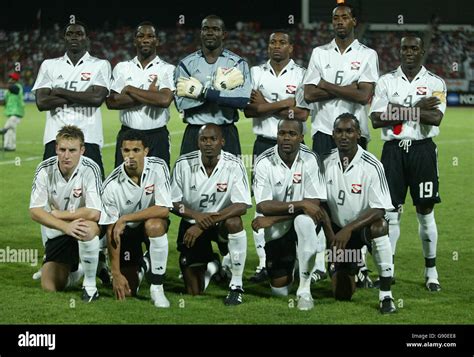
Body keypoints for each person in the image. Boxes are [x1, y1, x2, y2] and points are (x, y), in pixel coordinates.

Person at [369, 35, 447, 292]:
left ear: (423, 50)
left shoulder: (435, 82)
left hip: (423, 151)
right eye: (405, 48)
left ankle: (431, 271)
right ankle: (387, 272)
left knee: (425, 212)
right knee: (391, 214)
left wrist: (397, 109)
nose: (409, 52)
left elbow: (435, 118)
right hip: (392, 151)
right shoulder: (386, 81)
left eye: (414, 48)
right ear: (399, 51)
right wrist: (415, 106)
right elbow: (377, 119)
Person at [243, 30, 309, 283]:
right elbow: (250, 110)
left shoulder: (301, 74)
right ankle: (263, 264)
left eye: (282, 42)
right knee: (262, 204)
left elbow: (302, 115)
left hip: (294, 146)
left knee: (299, 203)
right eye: (272, 42)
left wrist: (265, 105)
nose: (277, 46)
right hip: (264, 145)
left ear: (291, 47)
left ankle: (300, 260)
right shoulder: (256, 72)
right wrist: (285, 103)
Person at [321, 113, 396, 314]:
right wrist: (331, 237)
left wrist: (349, 229)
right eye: (339, 131)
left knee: (380, 226)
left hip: (361, 229)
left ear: (358, 134)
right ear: (333, 134)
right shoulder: (325, 162)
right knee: (341, 294)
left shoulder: (372, 165)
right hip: (338, 234)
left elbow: (380, 208)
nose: (343, 136)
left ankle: (386, 295)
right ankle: (355, 269)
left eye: (349, 131)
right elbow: (319, 205)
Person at [170, 124, 251, 305]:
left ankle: (236, 285)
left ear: (222, 142)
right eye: (203, 139)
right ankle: (214, 265)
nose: (208, 143)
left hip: (220, 224)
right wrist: (194, 215)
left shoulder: (234, 164)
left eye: (212, 139)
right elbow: (173, 203)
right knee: (194, 291)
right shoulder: (183, 163)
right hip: (191, 224)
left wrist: (202, 223)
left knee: (234, 223)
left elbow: (241, 205)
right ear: (197, 142)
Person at [252, 119, 327, 311]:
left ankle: (305, 290)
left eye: (292, 134)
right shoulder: (263, 161)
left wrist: (276, 217)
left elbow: (315, 204)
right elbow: (263, 206)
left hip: (294, 221)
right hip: (279, 225)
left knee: (304, 222)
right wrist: (301, 204)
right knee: (280, 291)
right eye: (282, 133)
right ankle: (295, 263)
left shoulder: (311, 159)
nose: (286, 137)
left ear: (301, 138)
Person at [29, 125, 102, 302]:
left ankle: (90, 286)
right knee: (50, 286)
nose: (66, 155)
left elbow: (94, 212)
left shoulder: (91, 169)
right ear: (56, 148)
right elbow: (35, 211)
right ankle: (81, 270)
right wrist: (66, 227)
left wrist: (60, 215)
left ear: (82, 150)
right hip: (60, 231)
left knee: (86, 228)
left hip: (85, 226)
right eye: (62, 150)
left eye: (72, 150)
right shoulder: (44, 169)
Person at [99, 130, 172, 307]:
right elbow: (111, 230)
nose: (130, 156)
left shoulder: (159, 167)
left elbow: (164, 209)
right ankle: (143, 263)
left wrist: (126, 218)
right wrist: (115, 273)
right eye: (126, 150)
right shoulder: (110, 185)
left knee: (154, 225)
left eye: (136, 150)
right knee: (128, 290)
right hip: (126, 234)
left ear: (146, 151)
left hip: (149, 225)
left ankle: (157, 288)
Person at [32, 21, 111, 178]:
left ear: (86, 38)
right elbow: (42, 102)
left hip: (89, 138)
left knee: (92, 195)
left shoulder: (100, 65)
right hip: (55, 139)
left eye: (79, 34)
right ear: (64, 38)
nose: (74, 37)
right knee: (53, 193)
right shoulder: (49, 65)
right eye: (70, 34)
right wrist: (84, 95)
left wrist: (60, 91)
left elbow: (96, 99)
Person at [303, 4, 379, 156]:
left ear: (354, 21)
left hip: (355, 132)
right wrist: (350, 89)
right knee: (323, 180)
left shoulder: (368, 54)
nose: (339, 22)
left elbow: (364, 97)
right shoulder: (319, 53)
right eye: (336, 18)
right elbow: (309, 95)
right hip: (323, 131)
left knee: (354, 180)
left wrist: (324, 85)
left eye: (345, 18)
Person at [174, 14, 252, 156]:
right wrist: (222, 94)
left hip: (226, 132)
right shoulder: (186, 64)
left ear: (223, 34)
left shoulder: (237, 63)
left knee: (229, 177)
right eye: (206, 29)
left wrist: (202, 92)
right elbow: (181, 103)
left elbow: (243, 100)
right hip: (195, 132)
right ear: (201, 33)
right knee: (190, 177)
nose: (210, 32)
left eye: (215, 29)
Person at [106, 21, 175, 168]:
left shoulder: (168, 69)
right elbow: (111, 102)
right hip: (127, 135)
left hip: (157, 136)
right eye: (140, 36)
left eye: (150, 36)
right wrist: (150, 95)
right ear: (134, 41)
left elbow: (164, 100)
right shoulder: (122, 68)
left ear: (157, 41)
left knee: (157, 185)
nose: (145, 39)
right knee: (124, 183)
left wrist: (130, 89)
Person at [0, 72, 25, 151]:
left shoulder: (18, 87)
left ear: (16, 80)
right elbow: (4, 102)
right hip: (11, 114)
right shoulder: (8, 91)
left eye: (12, 78)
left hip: (17, 113)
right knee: (11, 129)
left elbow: (12, 88)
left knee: (7, 128)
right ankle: (11, 146)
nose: (10, 79)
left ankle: (8, 146)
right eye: (10, 78)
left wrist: (2, 85)